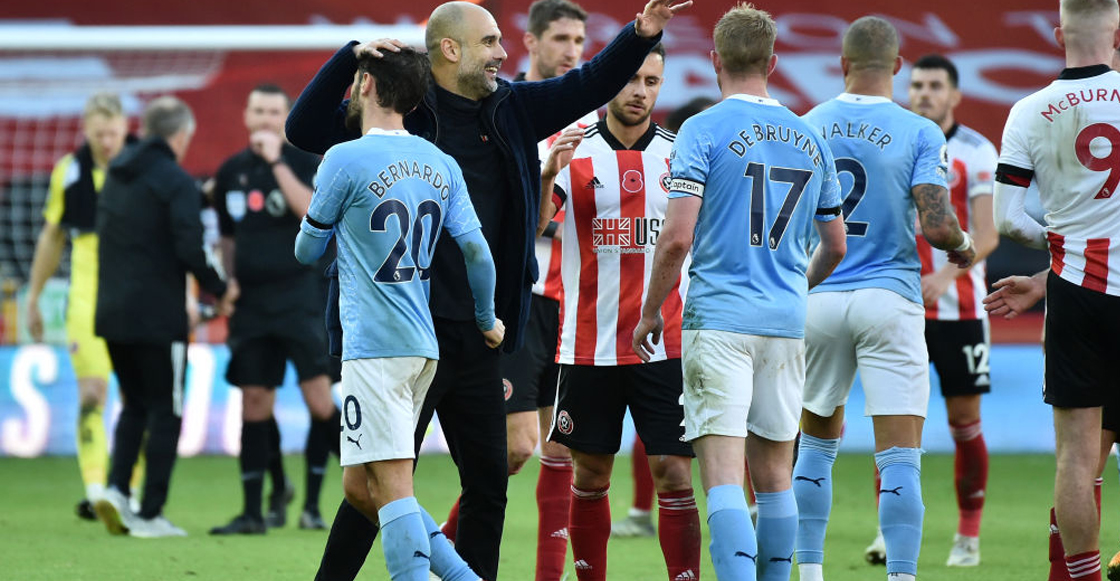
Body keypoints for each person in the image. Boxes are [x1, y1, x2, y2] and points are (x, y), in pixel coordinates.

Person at [285, 2, 689, 579]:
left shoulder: (514, 108)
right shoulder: (406, 112)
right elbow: (302, 130)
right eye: (491, 42)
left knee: (487, 485)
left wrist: (640, 33)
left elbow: (589, 82)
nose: (504, 53)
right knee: (369, 486)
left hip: (484, 329)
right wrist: (349, 57)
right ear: (451, 50)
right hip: (407, 330)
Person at [634, 6, 848, 580]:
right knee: (776, 476)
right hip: (784, 321)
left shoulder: (701, 128)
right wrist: (793, 287)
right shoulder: (810, 135)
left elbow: (677, 237)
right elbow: (836, 246)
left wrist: (652, 310)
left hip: (720, 319)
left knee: (724, 477)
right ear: (773, 62)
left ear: (715, 60)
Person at [293, 46, 501, 581]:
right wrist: (486, 319)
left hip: (374, 347)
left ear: (363, 84)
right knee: (362, 488)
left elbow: (306, 252)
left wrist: (331, 222)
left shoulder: (344, 158)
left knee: (392, 486)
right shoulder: (441, 163)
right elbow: (477, 253)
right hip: (422, 344)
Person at [790, 16, 976, 581]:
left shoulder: (807, 124)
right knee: (900, 458)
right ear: (898, 68)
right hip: (890, 299)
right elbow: (937, 224)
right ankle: (900, 576)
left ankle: (811, 573)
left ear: (842, 65)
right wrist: (964, 249)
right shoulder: (919, 130)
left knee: (815, 445)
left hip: (818, 295)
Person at [433, 2, 595, 578]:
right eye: (560, 37)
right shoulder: (507, 109)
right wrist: (547, 179)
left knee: (559, 449)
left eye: (580, 39)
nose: (572, 49)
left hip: (578, 303)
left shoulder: (589, 119)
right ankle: (442, 558)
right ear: (529, 42)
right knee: (518, 445)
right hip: (520, 301)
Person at [535, 44, 700, 581]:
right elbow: (533, 230)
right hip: (589, 344)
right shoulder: (573, 150)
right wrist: (544, 175)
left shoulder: (681, 154)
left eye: (652, 82)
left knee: (674, 471)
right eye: (631, 79)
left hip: (665, 343)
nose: (640, 92)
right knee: (590, 472)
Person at [991, 1, 1120, 578]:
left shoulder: (1027, 111)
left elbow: (1009, 221)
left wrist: (1060, 255)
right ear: (1117, 34)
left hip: (1077, 293)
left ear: (1057, 32)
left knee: (1076, 454)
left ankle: (1083, 574)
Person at [862, 53, 1000, 568]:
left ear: (955, 95)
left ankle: (968, 535)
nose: (922, 93)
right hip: (899, 306)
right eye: (916, 84)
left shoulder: (977, 152)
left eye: (934, 85)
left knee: (964, 422)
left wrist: (946, 274)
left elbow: (987, 234)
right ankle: (885, 531)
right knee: (894, 422)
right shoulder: (896, 139)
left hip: (960, 308)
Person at [92, 95, 237, 538]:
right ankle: (150, 514)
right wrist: (220, 287)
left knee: (134, 403)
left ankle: (117, 490)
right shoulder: (175, 180)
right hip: (158, 318)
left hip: (112, 312)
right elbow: (190, 247)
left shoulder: (116, 174)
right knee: (166, 411)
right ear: (179, 135)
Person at [207, 84, 341, 536]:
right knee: (254, 400)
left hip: (302, 298)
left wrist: (276, 161)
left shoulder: (305, 162)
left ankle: (349, 496)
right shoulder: (229, 173)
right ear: (246, 116)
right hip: (253, 306)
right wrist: (229, 280)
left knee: (320, 401)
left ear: (286, 119)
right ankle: (251, 511)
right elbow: (226, 236)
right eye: (258, 110)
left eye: (274, 112)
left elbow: (310, 212)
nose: (265, 119)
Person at [23, 92, 142, 520]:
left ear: (124, 129)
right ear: (85, 131)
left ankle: (125, 487)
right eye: (98, 135)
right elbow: (51, 238)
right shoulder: (68, 172)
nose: (106, 142)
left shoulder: (143, 166)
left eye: (112, 133)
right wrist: (33, 298)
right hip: (87, 296)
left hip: (135, 292)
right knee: (92, 393)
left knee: (136, 397)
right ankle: (96, 491)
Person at [612, 92, 720, 540]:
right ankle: (643, 510)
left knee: (720, 419)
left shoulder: (701, 184)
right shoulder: (670, 180)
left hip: (699, 314)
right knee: (665, 419)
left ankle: (743, 506)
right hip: (682, 317)